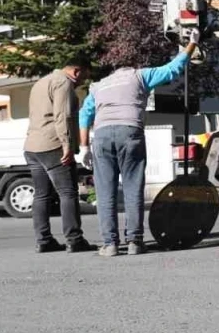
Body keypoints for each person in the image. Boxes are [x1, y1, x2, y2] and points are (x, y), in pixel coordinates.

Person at [79, 31, 199, 257]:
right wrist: (192, 43)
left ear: (113, 68)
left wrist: (84, 147)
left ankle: (110, 244)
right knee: (133, 188)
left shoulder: (99, 85)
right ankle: (135, 241)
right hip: (129, 131)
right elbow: (174, 67)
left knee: (105, 192)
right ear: (132, 64)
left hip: (102, 136)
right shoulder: (140, 75)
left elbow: (84, 115)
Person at [24, 55, 92, 254]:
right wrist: (67, 146)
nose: (82, 82)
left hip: (32, 146)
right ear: (76, 71)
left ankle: (43, 240)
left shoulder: (41, 82)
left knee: (42, 195)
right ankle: (74, 239)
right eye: (83, 77)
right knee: (68, 193)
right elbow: (63, 116)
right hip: (53, 145)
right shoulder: (63, 83)